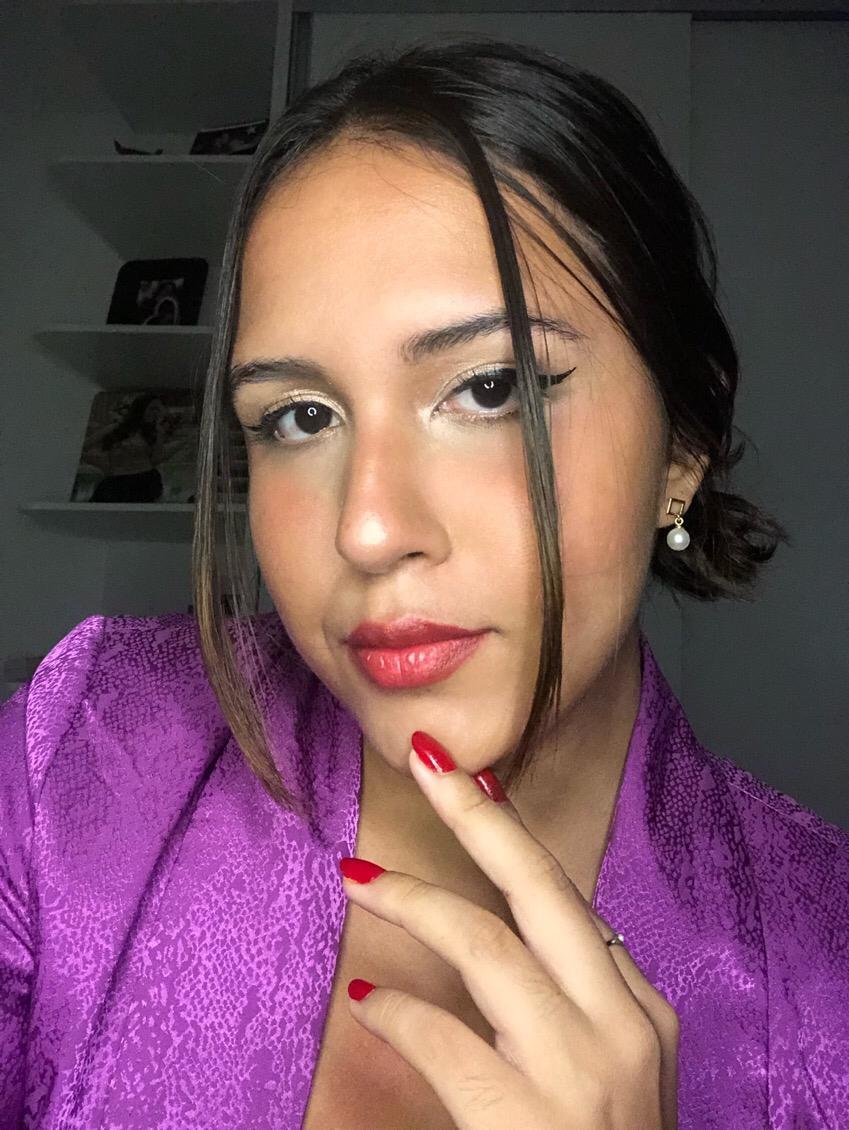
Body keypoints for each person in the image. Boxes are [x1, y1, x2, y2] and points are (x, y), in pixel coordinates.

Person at [1, 39, 847, 1130]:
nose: (366, 528)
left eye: (489, 388)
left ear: (683, 442)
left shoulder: (823, 982)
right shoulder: (76, 763)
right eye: (300, 416)